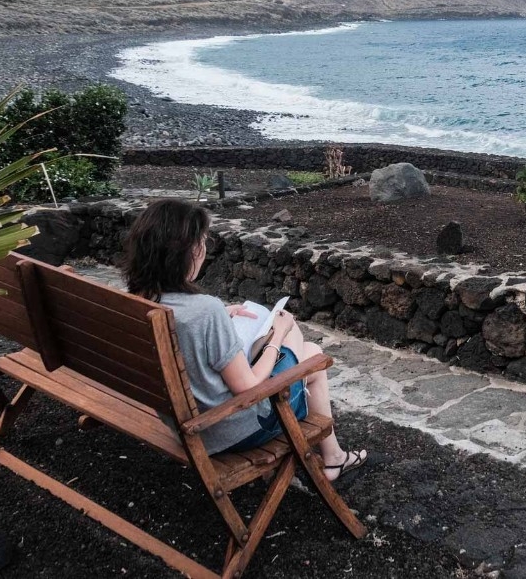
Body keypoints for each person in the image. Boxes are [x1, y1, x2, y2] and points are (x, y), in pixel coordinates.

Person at [121, 198, 365, 479]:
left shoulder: (138, 300)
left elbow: (185, 328)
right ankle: (333, 457)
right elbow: (247, 387)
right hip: (228, 429)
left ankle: (334, 456)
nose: (203, 251)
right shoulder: (204, 310)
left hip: (182, 420)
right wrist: (278, 337)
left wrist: (223, 316)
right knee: (311, 355)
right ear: (184, 253)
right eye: (201, 243)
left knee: (306, 351)